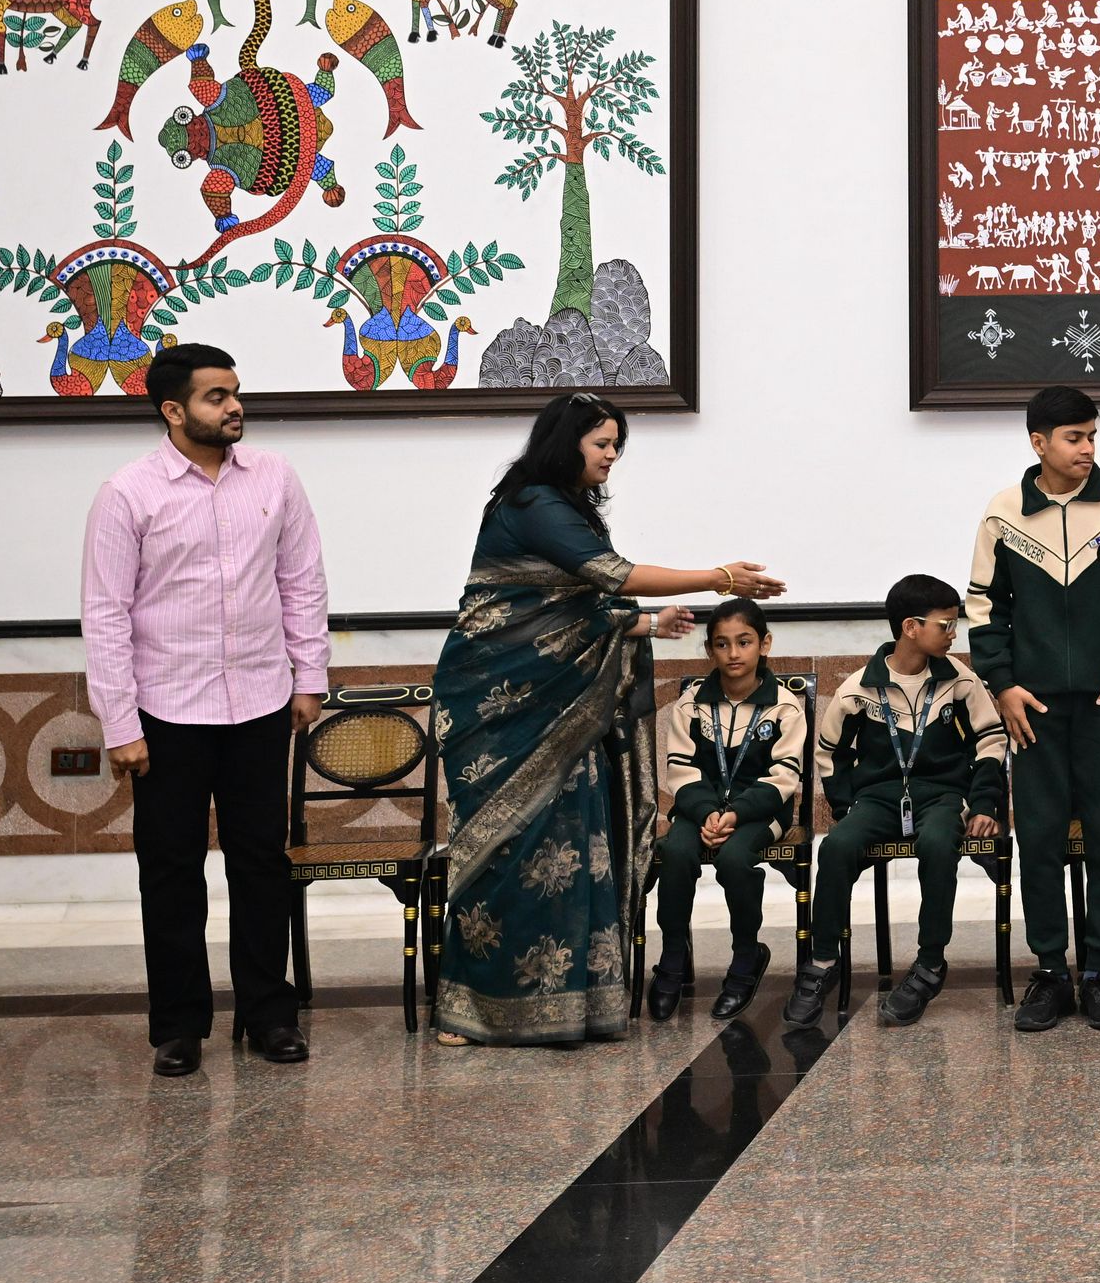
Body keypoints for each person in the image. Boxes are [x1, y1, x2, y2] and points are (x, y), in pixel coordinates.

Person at [432, 394, 782, 1046]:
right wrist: (719, 577)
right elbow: (612, 579)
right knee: (503, 851)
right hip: (501, 708)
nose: (613, 455)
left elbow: (578, 610)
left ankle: (576, 1005)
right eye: (602, 443)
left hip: (566, 714)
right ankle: (476, 1010)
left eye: (617, 444)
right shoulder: (534, 504)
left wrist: (644, 625)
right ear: (565, 443)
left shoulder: (567, 511)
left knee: (576, 850)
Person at [81, 344, 327, 1076]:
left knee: (262, 865)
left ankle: (269, 1015)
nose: (234, 406)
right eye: (216, 397)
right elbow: (105, 613)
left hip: (259, 703)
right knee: (171, 871)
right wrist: (119, 722)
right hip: (166, 712)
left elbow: (302, 582)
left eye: (235, 393)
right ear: (173, 410)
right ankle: (179, 1027)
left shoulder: (275, 477)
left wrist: (308, 677)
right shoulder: (127, 493)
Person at [964, 382, 1100, 1034]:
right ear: (1039, 443)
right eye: (1074, 438)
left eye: (1093, 436)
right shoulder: (1003, 514)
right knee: (1041, 841)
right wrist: (1002, 685)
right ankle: (1051, 972)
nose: (1088, 449)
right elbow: (984, 612)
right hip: (1034, 711)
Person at [787, 578, 1008, 1027]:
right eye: (946, 625)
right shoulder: (858, 689)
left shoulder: (960, 681)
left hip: (943, 797)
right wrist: (846, 808)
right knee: (837, 846)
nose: (954, 634)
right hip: (878, 799)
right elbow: (829, 753)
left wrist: (984, 805)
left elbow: (990, 742)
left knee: (938, 843)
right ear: (911, 627)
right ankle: (823, 961)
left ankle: (930, 962)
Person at [646, 595, 807, 1024]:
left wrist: (735, 813)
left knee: (735, 859)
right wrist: (707, 813)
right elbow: (680, 770)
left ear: (764, 644)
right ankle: (673, 957)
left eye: (744, 642)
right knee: (675, 852)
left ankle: (745, 957)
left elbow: (784, 776)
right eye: (722, 644)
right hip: (699, 811)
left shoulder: (785, 706)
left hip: (761, 813)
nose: (733, 653)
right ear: (709, 650)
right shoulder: (692, 703)